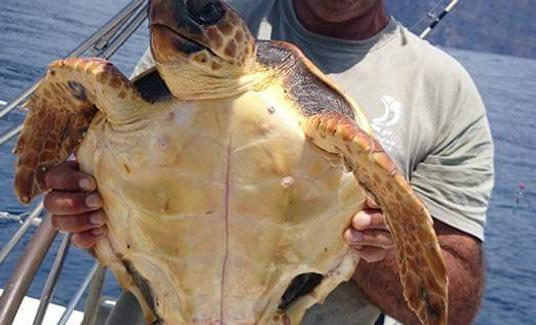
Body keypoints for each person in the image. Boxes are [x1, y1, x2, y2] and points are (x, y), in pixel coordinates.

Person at [44, 0, 494, 324]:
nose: (173, 13)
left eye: (201, 12)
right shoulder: (193, 41)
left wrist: (374, 241)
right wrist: (80, 198)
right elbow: (111, 155)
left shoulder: (443, 91)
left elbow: (448, 312)